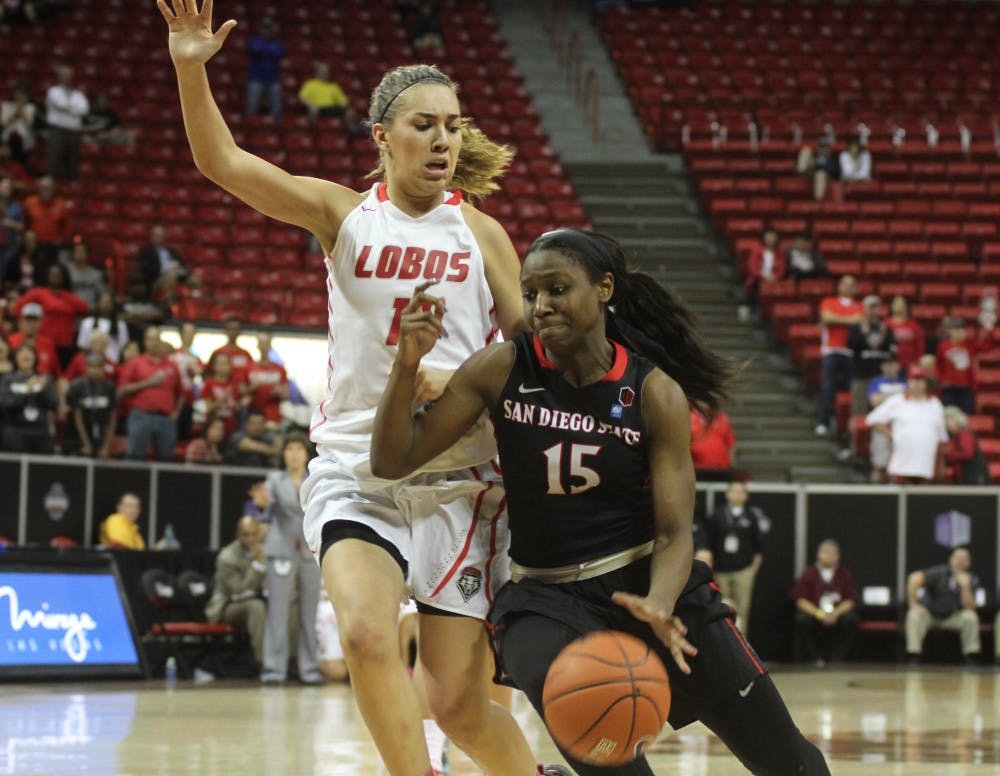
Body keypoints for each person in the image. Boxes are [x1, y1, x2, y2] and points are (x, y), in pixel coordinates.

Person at [157, 3, 551, 774]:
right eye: (424, 125)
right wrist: (189, 66)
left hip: (460, 484)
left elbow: (534, 359)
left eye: (453, 125)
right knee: (368, 635)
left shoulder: (483, 235)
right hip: (357, 470)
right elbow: (222, 163)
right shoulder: (342, 214)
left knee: (460, 708)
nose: (443, 139)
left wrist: (461, 380)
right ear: (382, 138)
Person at [371, 228, 829, 776]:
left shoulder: (653, 392)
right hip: (547, 602)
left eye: (558, 289)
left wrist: (659, 602)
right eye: (532, 293)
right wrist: (405, 366)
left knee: (794, 765)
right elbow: (393, 459)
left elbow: (675, 534)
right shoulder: (501, 368)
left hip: (649, 583)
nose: (541, 306)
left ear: (604, 288)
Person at [248, 434, 324, 685]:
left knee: (309, 614)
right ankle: (273, 670)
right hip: (281, 549)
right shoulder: (274, 480)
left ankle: (309, 669)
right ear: (283, 454)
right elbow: (262, 511)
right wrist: (260, 506)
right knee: (277, 612)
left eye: (298, 449)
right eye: (289, 449)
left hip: (310, 552)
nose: (293, 454)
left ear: (306, 453)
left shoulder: (316, 479)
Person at [697, 480, 769, 633]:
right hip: (721, 570)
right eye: (734, 491)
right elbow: (708, 543)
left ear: (746, 496)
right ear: (727, 494)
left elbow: (758, 549)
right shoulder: (717, 515)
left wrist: (751, 571)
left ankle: (742, 643)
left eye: (741, 492)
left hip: (744, 570)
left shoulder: (751, 517)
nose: (737, 495)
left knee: (742, 608)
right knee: (721, 606)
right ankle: (724, 641)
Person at [865, 366, 947, 484]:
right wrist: (892, 435)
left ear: (925, 383)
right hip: (901, 464)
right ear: (908, 382)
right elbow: (872, 419)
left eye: (920, 380)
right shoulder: (898, 401)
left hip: (926, 464)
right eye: (914, 380)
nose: (917, 384)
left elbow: (941, 435)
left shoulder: (935, 404)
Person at [205, 515, 267, 667]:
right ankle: (265, 663)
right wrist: (258, 566)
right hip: (229, 606)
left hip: (259, 599)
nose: (251, 539)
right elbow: (239, 590)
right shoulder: (227, 557)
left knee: (289, 605)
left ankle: (291, 661)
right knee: (256, 607)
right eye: (246, 535)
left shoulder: (265, 551)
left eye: (254, 534)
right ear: (238, 535)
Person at [117, 326, 184, 461]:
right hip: (141, 416)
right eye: (149, 339)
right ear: (145, 342)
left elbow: (181, 393)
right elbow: (122, 389)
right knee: (135, 456)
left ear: (161, 341)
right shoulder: (136, 363)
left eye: (156, 339)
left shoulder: (171, 365)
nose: (153, 342)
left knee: (166, 459)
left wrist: (176, 412)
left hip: (166, 418)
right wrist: (147, 383)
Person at [905, 546, 980, 665]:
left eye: (964, 559)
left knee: (970, 617)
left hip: (952, 616)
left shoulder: (972, 579)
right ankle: (914, 655)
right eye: (957, 558)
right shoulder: (939, 572)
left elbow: (971, 608)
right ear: (951, 559)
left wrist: (965, 587)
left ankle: (970, 656)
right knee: (913, 615)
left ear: (968, 562)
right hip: (930, 614)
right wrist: (913, 604)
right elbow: (914, 578)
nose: (960, 561)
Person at [791, 539, 859, 666]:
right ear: (818, 554)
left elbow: (851, 599)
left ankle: (837, 660)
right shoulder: (809, 573)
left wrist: (836, 614)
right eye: (826, 553)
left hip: (837, 613)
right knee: (802, 621)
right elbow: (800, 600)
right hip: (816, 613)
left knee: (851, 620)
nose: (829, 556)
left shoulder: (844, 574)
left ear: (838, 556)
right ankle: (815, 659)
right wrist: (820, 614)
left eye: (833, 553)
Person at [13, 263, 89, 367]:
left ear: (63, 277)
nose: (55, 277)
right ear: (47, 276)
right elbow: (18, 308)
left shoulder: (69, 296)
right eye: (52, 274)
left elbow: (84, 308)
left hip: (65, 345)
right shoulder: (39, 293)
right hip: (44, 342)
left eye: (58, 275)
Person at [815, 274, 864, 436]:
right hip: (832, 350)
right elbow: (827, 317)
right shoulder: (829, 302)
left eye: (852, 284)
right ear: (839, 286)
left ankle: (845, 426)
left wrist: (838, 319)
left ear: (856, 288)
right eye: (845, 284)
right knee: (828, 387)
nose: (848, 287)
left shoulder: (859, 306)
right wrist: (849, 320)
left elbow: (860, 321)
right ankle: (823, 421)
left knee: (851, 390)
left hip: (851, 352)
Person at [0, 343, 57, 452]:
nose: (26, 356)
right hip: (15, 432)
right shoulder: (8, 379)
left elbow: (54, 404)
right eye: (22, 353)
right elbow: (5, 405)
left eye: (29, 353)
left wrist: (42, 391)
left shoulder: (44, 379)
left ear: (35, 357)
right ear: (15, 358)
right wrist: (27, 391)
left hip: (40, 433)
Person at [846, 294, 896, 416]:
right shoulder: (857, 327)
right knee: (859, 409)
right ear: (864, 308)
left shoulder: (886, 328)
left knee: (882, 410)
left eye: (876, 307)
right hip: (861, 374)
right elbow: (851, 346)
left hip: (880, 375)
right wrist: (862, 335)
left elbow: (892, 349)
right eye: (870, 307)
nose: (873, 310)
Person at [65, 351, 118, 458]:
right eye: (91, 366)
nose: (95, 370)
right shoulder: (77, 386)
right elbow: (77, 418)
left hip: (101, 433)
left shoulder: (109, 387)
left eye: (98, 367)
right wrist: (86, 444)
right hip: (79, 436)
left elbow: (112, 419)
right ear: (86, 368)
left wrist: (106, 446)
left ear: (103, 369)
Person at [865, 356, 907, 482]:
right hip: (881, 425)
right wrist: (897, 399)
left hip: (902, 424)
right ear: (882, 366)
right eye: (887, 364)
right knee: (879, 463)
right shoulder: (876, 381)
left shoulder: (904, 382)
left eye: (892, 364)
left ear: (898, 366)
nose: (890, 367)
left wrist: (885, 398)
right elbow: (874, 401)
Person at [44, 65, 89, 181]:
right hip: (57, 131)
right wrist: (74, 110)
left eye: (69, 75)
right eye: (64, 75)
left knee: (72, 164)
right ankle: (49, 184)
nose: (66, 78)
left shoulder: (78, 94)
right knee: (53, 162)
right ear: (58, 76)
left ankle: (72, 189)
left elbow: (84, 110)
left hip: (74, 133)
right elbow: (60, 104)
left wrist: (69, 109)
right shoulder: (53, 91)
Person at [297, 61, 363, 131]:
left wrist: (344, 105)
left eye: (326, 71)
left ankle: (351, 131)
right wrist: (311, 105)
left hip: (331, 108)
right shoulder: (310, 84)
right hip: (318, 108)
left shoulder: (333, 86)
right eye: (322, 71)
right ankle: (311, 131)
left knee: (349, 111)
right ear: (317, 72)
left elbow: (343, 101)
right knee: (313, 110)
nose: (324, 73)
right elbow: (302, 97)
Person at [245, 16, 284, 121]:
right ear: (261, 29)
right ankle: (250, 127)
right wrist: (269, 53)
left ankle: (277, 130)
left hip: (273, 79)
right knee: (252, 106)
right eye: (264, 28)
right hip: (256, 78)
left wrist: (263, 53)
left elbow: (279, 54)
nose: (266, 30)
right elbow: (255, 50)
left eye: (268, 28)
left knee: (276, 108)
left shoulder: (277, 43)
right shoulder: (254, 41)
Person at [245, 332, 288, 428]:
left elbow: (286, 395)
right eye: (261, 343)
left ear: (270, 345)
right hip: (253, 416)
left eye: (266, 343)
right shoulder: (249, 368)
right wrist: (252, 388)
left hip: (273, 417)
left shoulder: (279, 369)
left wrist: (279, 392)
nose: (263, 347)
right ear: (257, 345)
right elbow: (241, 392)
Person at [77, 290, 130, 364]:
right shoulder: (87, 323)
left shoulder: (120, 325)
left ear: (113, 305)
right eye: (103, 302)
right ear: (97, 304)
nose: (106, 305)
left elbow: (123, 348)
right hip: (93, 365)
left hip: (114, 363)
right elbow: (83, 347)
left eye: (109, 302)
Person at [138, 224, 190, 296]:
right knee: (171, 276)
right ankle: (169, 303)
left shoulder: (172, 251)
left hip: (177, 276)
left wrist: (180, 270)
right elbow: (147, 269)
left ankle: (198, 305)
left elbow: (182, 265)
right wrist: (165, 270)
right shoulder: (146, 252)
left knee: (195, 280)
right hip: (157, 280)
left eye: (161, 236)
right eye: (156, 235)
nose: (158, 238)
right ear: (151, 237)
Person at [943, 406, 991, 485]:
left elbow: (967, 453)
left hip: (974, 474)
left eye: (948, 420)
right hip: (967, 474)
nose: (946, 425)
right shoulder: (957, 435)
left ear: (956, 420)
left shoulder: (965, 433)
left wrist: (950, 454)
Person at [688, 406, 736, 481]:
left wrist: (730, 465)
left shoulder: (723, 419)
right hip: (697, 471)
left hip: (721, 470)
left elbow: (731, 444)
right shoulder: (690, 418)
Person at [60, 240, 107, 308]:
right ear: (73, 253)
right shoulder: (66, 271)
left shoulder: (95, 274)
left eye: (82, 251)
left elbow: (102, 294)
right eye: (77, 251)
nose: (80, 254)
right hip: (69, 310)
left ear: (87, 254)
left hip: (90, 310)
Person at [885, 295, 925, 374]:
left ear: (906, 307)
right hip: (891, 366)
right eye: (896, 304)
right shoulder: (886, 325)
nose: (899, 306)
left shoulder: (914, 326)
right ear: (892, 307)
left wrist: (916, 362)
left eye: (902, 304)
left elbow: (920, 347)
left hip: (909, 366)